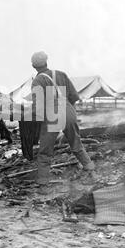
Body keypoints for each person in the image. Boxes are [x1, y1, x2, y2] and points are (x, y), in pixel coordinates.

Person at [30, 51, 95, 185]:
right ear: (46, 62)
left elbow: (38, 107)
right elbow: (73, 97)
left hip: (52, 115)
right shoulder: (61, 74)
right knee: (77, 144)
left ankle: (43, 184)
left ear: (33, 66)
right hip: (68, 111)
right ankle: (92, 171)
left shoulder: (38, 81)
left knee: (45, 153)